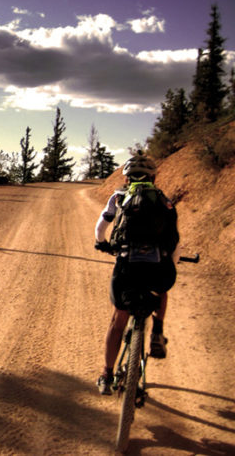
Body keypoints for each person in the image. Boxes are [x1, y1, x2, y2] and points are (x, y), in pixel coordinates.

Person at [94, 151, 180, 395]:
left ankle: (106, 375)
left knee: (118, 319)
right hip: (157, 266)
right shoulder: (164, 201)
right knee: (162, 289)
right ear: (153, 177)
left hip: (126, 265)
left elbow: (101, 226)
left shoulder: (119, 197)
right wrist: (172, 261)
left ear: (127, 178)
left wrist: (101, 242)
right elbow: (174, 240)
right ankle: (158, 332)